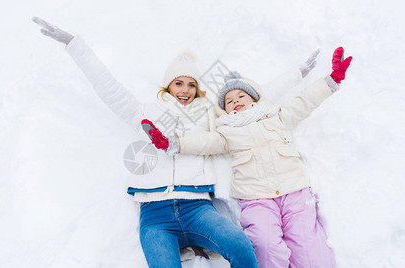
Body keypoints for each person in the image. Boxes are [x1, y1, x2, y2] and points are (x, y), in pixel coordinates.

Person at [32, 16, 320, 267]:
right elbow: (108, 87)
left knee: (243, 248)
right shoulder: (145, 113)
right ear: (168, 85)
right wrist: (74, 45)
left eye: (192, 84)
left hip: (197, 208)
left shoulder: (211, 115)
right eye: (179, 83)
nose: (185, 90)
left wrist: (297, 74)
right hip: (155, 215)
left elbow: (257, 97)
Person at [147, 47, 352, 267]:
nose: (235, 101)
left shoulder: (277, 116)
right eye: (229, 101)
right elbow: (205, 142)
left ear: (253, 98)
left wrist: (331, 80)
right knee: (264, 245)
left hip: (294, 191)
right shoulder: (226, 131)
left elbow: (304, 101)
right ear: (224, 110)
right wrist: (176, 142)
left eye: (241, 95)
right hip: (257, 199)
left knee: (308, 246)